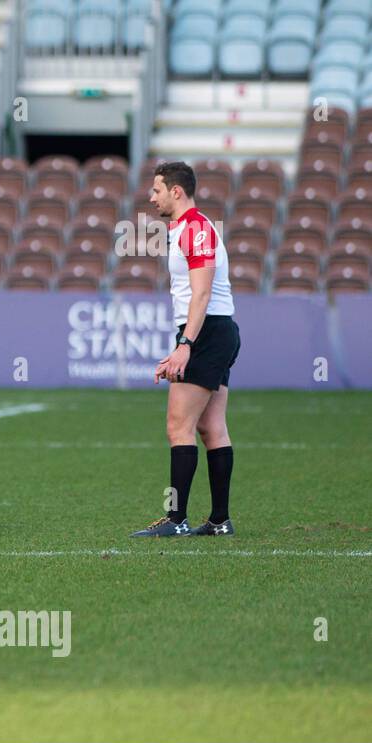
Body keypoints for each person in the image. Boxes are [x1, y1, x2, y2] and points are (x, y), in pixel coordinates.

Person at [132, 160, 240, 537]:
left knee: (179, 426)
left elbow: (203, 293)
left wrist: (185, 345)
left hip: (207, 331)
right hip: (215, 330)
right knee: (211, 427)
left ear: (176, 191)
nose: (152, 196)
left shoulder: (195, 228)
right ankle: (219, 521)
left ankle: (176, 520)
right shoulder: (186, 229)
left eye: (157, 189)